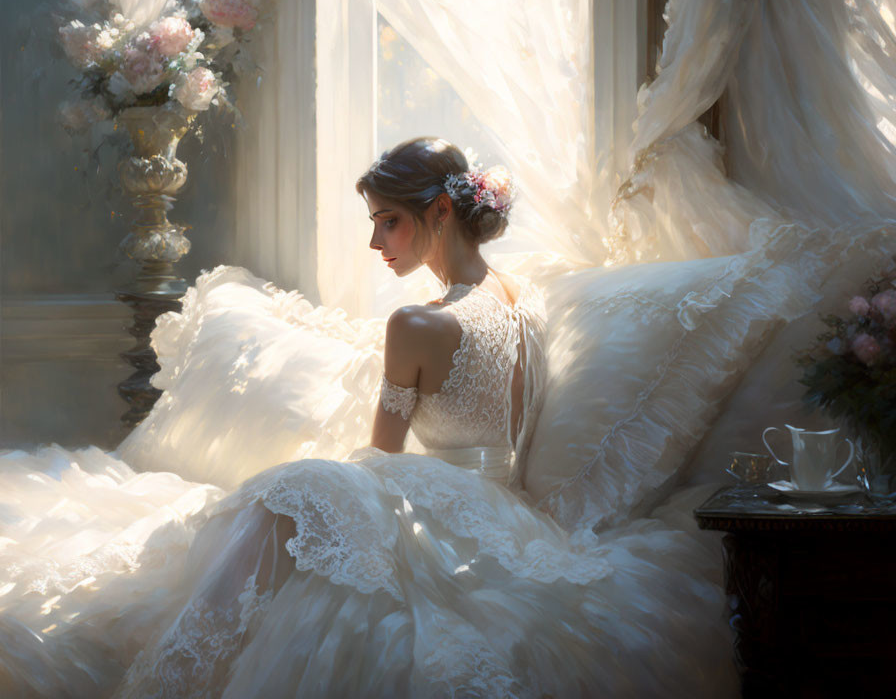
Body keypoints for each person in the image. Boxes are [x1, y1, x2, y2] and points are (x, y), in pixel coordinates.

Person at [0, 138, 736, 698]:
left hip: (447, 505)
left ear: (441, 212)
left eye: (388, 222)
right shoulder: (522, 295)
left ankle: (176, 678)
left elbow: (382, 457)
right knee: (299, 498)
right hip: (502, 509)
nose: (375, 243)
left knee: (295, 495)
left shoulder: (418, 322)